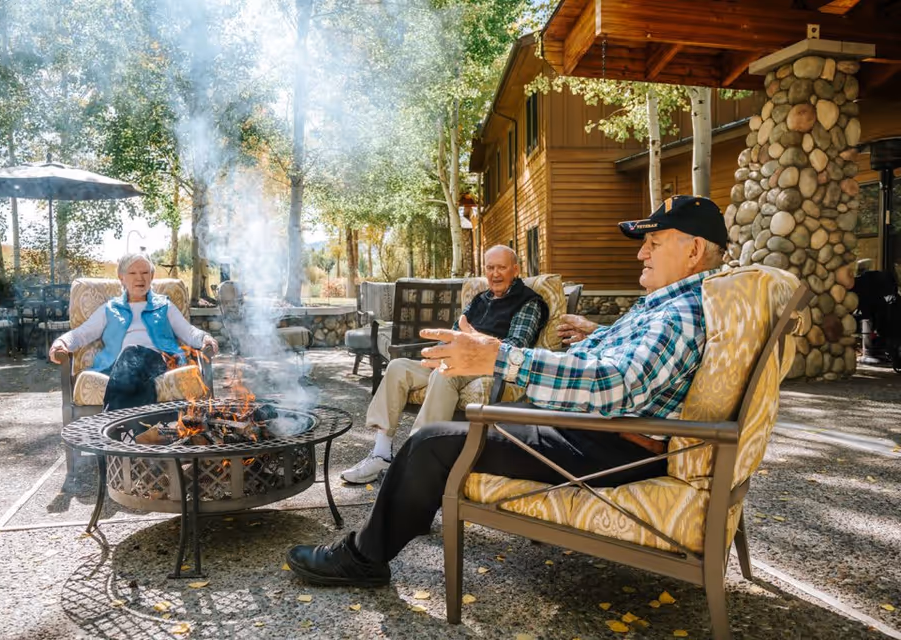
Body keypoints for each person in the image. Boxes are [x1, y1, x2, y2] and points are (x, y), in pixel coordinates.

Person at [286, 195, 728, 587]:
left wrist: (498, 358)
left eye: (655, 242)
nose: (641, 253)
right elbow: (603, 361)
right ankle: (404, 492)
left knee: (430, 444)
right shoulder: (665, 306)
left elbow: (612, 384)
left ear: (692, 250)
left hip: (605, 446)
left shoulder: (679, 315)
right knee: (455, 430)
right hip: (589, 433)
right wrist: (598, 333)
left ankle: (364, 557)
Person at [340, 245, 550, 484]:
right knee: (398, 367)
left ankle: (417, 459)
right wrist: (438, 351)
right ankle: (381, 453)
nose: (495, 274)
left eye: (501, 267)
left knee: (445, 372)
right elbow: (452, 333)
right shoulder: (481, 299)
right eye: (490, 268)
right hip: (454, 359)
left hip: (489, 366)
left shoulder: (529, 303)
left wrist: (474, 344)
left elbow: (514, 347)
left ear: (515, 269)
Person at [48, 253, 219, 411]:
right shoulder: (110, 309)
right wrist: (61, 343)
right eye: (132, 273)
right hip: (120, 367)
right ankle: (144, 433)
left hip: (160, 361)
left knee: (133, 352)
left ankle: (111, 427)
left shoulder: (164, 306)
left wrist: (205, 338)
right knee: (132, 362)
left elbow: (188, 331)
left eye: (145, 272)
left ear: (151, 277)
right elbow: (81, 333)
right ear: (121, 278)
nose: (140, 278)